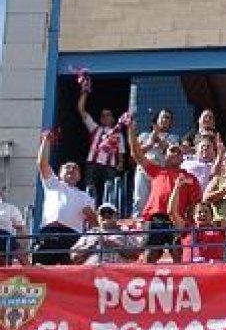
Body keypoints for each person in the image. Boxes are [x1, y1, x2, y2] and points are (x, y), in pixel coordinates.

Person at [127, 118, 201, 264]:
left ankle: (181, 284)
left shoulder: (190, 178)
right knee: (150, 255)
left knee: (178, 254)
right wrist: (130, 130)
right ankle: (146, 285)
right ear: (165, 155)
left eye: (178, 152)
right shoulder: (157, 171)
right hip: (156, 219)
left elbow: (195, 203)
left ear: (182, 158)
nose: (175, 153)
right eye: (171, 151)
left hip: (177, 219)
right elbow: (136, 154)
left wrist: (188, 223)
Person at [35, 132, 95, 265]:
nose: (71, 169)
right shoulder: (53, 184)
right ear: (60, 173)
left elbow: (93, 221)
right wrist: (46, 141)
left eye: (75, 168)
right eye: (67, 167)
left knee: (68, 275)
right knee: (40, 273)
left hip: (72, 237)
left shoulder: (85, 197)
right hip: (49, 233)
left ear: (79, 177)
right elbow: (42, 163)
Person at [75, 89, 124, 203]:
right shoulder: (94, 128)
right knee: (90, 189)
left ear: (113, 118)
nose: (105, 117)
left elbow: (121, 152)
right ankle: (89, 211)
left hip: (110, 166)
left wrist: (121, 163)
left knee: (110, 191)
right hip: (92, 164)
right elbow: (81, 110)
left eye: (108, 115)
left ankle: (107, 213)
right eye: (103, 115)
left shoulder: (119, 134)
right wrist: (84, 93)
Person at [132, 109, 177, 215]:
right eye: (162, 117)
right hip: (143, 171)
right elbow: (136, 153)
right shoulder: (143, 135)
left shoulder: (173, 138)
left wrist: (160, 141)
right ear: (156, 120)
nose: (165, 120)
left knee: (159, 200)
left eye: (168, 118)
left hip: (161, 173)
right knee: (140, 199)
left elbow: (172, 153)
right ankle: (139, 225)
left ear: (171, 122)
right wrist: (151, 142)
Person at [70, 203, 141, 265]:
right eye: (102, 213)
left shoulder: (126, 233)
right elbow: (74, 257)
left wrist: (115, 245)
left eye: (109, 213)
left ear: (116, 216)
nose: (106, 215)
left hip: (117, 273)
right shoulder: (89, 234)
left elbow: (136, 255)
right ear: (98, 217)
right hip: (92, 273)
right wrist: (93, 245)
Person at [0, 197, 25, 266]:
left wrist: (22, 244)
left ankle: (31, 271)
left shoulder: (9, 208)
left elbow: (20, 227)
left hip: (6, 239)